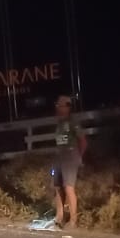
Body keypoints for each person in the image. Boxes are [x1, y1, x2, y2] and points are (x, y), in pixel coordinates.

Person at [49, 95, 87, 229]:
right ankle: (59, 216)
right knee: (57, 186)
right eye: (57, 105)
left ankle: (73, 220)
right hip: (59, 156)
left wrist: (78, 157)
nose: (57, 107)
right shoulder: (59, 122)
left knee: (69, 187)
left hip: (70, 156)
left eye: (60, 105)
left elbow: (82, 140)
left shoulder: (73, 122)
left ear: (68, 107)